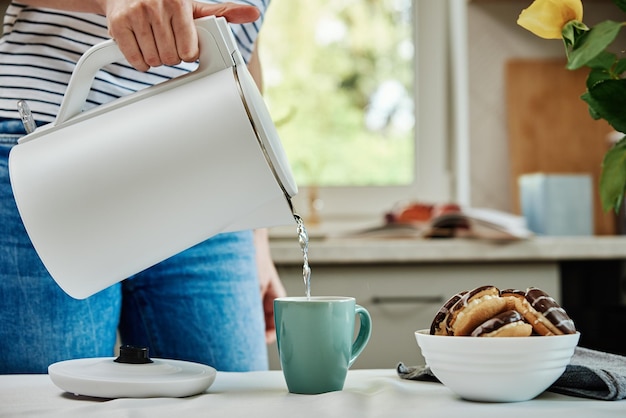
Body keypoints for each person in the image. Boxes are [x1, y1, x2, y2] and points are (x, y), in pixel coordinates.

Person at [0, 0, 287, 373]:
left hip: (211, 164)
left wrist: (257, 239)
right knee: (52, 401)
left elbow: (244, 49)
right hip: (53, 151)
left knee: (232, 398)